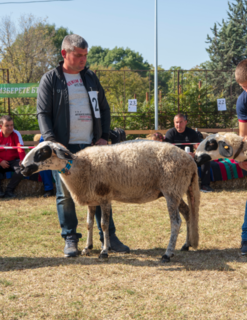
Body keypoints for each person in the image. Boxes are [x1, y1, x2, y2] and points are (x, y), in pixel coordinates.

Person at [37, 34, 130, 257]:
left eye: (85, 55)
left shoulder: (90, 77)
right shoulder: (50, 79)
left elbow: (105, 109)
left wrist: (104, 136)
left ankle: (109, 237)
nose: (83, 60)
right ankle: (70, 238)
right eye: (78, 55)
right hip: (63, 148)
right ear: (64, 54)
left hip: (92, 147)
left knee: (102, 191)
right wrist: (51, 141)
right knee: (65, 194)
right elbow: (43, 113)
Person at [164, 113, 213, 193]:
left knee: (206, 159)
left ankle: (204, 185)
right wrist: (182, 156)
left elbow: (198, 147)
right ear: (174, 122)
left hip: (191, 158)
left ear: (185, 122)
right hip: (176, 158)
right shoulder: (170, 133)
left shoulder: (192, 132)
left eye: (181, 122)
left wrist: (194, 154)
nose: (178, 125)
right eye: (176, 122)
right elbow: (168, 150)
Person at [233, 59, 247, 255]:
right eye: (243, 87)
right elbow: (243, 135)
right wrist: (241, 159)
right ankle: (246, 237)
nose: (246, 89)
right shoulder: (242, 101)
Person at [0, 115, 25, 198]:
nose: (10, 127)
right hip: (1, 162)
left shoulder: (16, 133)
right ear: (1, 126)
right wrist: (0, 161)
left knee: (22, 169)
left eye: (12, 125)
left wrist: (22, 160)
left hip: (13, 161)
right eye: (7, 125)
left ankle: (9, 191)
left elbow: (20, 148)